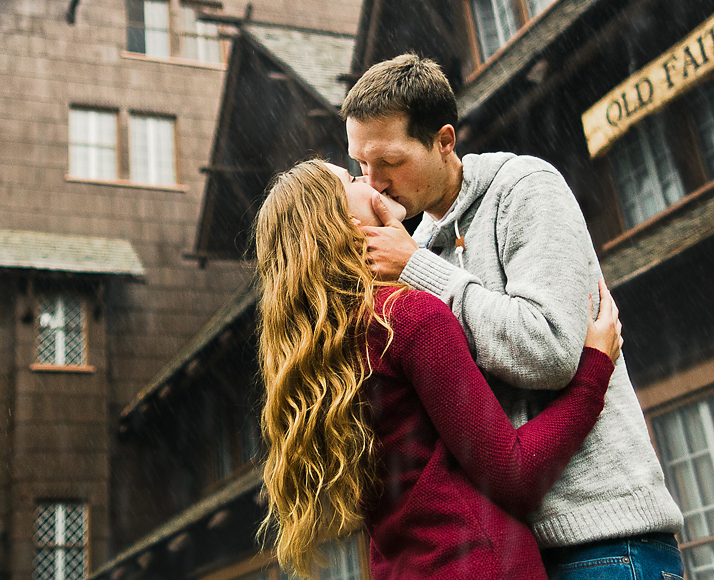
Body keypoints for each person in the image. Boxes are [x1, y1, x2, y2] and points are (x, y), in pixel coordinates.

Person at [344, 54, 684, 580]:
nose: (376, 183)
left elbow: (550, 351)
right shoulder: (413, 249)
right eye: (361, 165)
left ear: (444, 141)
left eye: (389, 161)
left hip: (604, 537)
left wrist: (417, 269)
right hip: (517, 549)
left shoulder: (524, 188)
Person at [254, 160, 623, 580]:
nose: (370, 180)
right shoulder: (406, 318)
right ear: (345, 221)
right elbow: (515, 474)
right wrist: (595, 369)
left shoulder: (326, 351)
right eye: (354, 178)